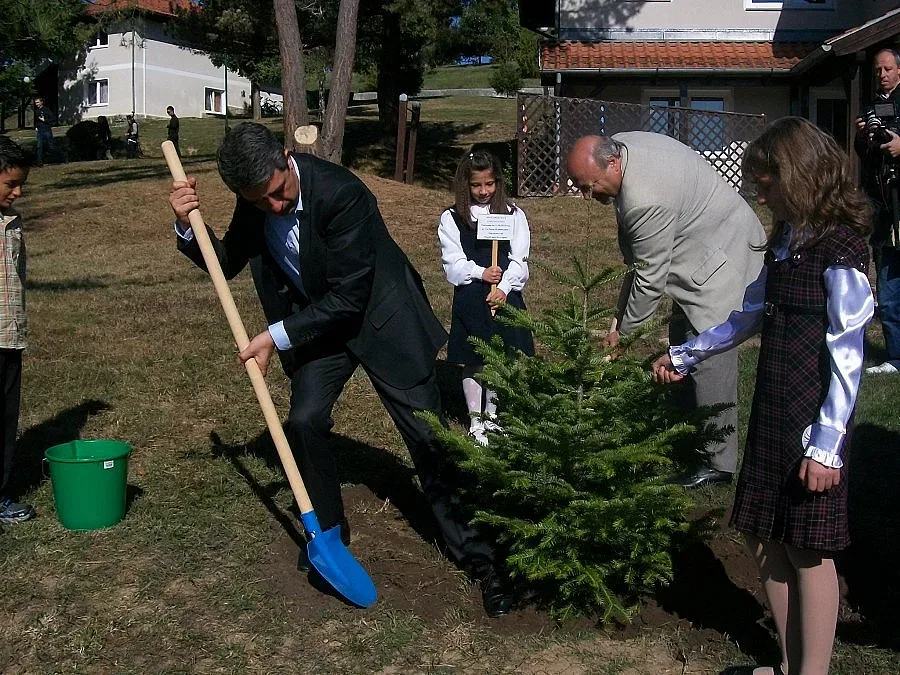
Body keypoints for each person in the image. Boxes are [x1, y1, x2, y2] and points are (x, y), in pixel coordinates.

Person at [167, 122, 514, 617]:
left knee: (428, 437)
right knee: (304, 420)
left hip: (380, 318)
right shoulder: (257, 197)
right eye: (260, 201)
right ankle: (327, 533)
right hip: (320, 325)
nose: (274, 207)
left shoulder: (342, 193)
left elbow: (350, 298)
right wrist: (187, 225)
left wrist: (274, 336)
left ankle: (483, 560)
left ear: (286, 158)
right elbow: (225, 262)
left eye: (278, 193)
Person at [652, 117, 874, 675]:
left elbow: (848, 353)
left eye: (766, 181)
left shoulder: (841, 249)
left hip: (812, 414)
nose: (758, 192)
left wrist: (827, 444)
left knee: (807, 548)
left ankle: (812, 672)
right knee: (761, 534)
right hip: (774, 402)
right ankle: (788, 663)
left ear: (797, 175)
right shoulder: (785, 241)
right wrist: (686, 354)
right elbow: (746, 314)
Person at [565, 132, 766, 488]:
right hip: (699, 243)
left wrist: (624, 337)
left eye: (589, 185)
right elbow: (638, 263)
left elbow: (649, 281)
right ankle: (688, 435)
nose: (586, 196)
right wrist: (617, 323)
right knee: (680, 340)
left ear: (612, 163)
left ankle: (717, 462)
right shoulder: (621, 146)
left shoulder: (645, 200)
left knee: (707, 349)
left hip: (723, 255)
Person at [438, 150, 534, 445]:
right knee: (474, 358)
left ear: (498, 183)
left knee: (500, 357)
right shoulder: (453, 218)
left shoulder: (513, 214)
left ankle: (492, 417)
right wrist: (481, 273)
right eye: (476, 185)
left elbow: (520, 258)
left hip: (504, 294)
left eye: (489, 184)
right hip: (471, 295)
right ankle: (475, 421)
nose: (483, 191)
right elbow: (452, 261)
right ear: (465, 185)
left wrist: (503, 286)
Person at [855, 48, 900, 375]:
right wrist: (863, 138)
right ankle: (896, 357)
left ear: (899, 71)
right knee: (888, 289)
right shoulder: (871, 107)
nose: (882, 75)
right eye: (877, 71)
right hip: (884, 210)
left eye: (887, 69)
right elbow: (867, 155)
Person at [0, 137, 36, 526]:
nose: (18, 192)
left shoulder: (12, 223)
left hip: (9, 337)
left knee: (6, 419)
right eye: (11, 184)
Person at [33, 97, 57, 166]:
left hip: (47, 130)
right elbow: (36, 120)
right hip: (39, 131)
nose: (36, 104)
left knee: (51, 145)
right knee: (39, 146)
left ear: (41, 102)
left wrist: (45, 120)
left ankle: (58, 158)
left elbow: (53, 119)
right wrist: (36, 127)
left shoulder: (47, 110)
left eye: (38, 102)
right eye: (35, 103)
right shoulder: (36, 111)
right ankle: (39, 162)